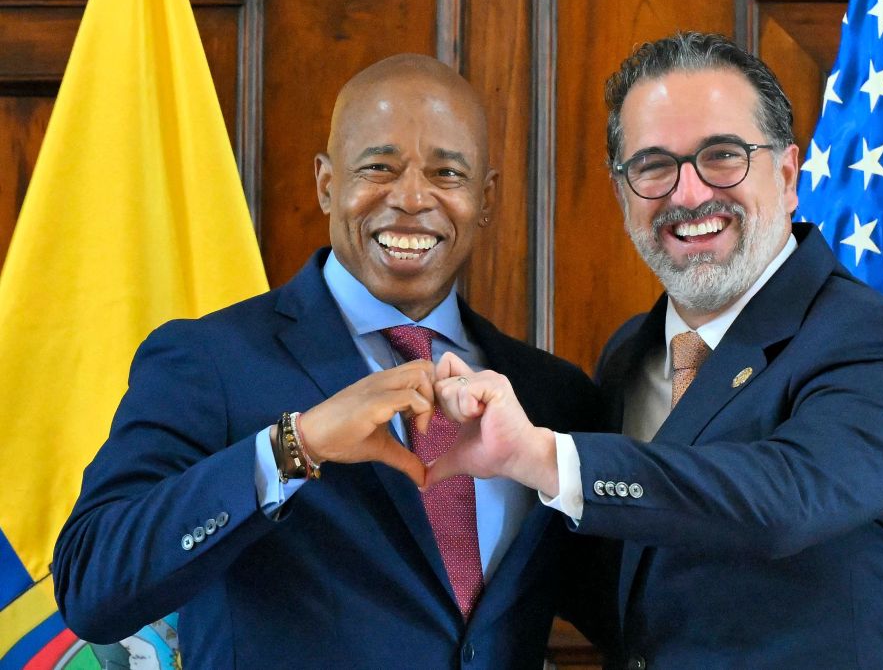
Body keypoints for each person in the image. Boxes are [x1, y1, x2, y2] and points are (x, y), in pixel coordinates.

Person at [51, 54, 601, 668]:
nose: (413, 198)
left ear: (486, 197)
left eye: (447, 173)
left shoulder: (554, 397)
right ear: (325, 183)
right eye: (379, 167)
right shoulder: (209, 362)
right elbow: (90, 585)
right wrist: (295, 446)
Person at [427, 32, 883, 667]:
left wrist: (545, 457)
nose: (688, 193)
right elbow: (633, 587)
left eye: (723, 156)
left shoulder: (873, 339)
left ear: (787, 175)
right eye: (653, 166)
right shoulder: (631, 355)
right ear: (623, 193)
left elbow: (784, 501)